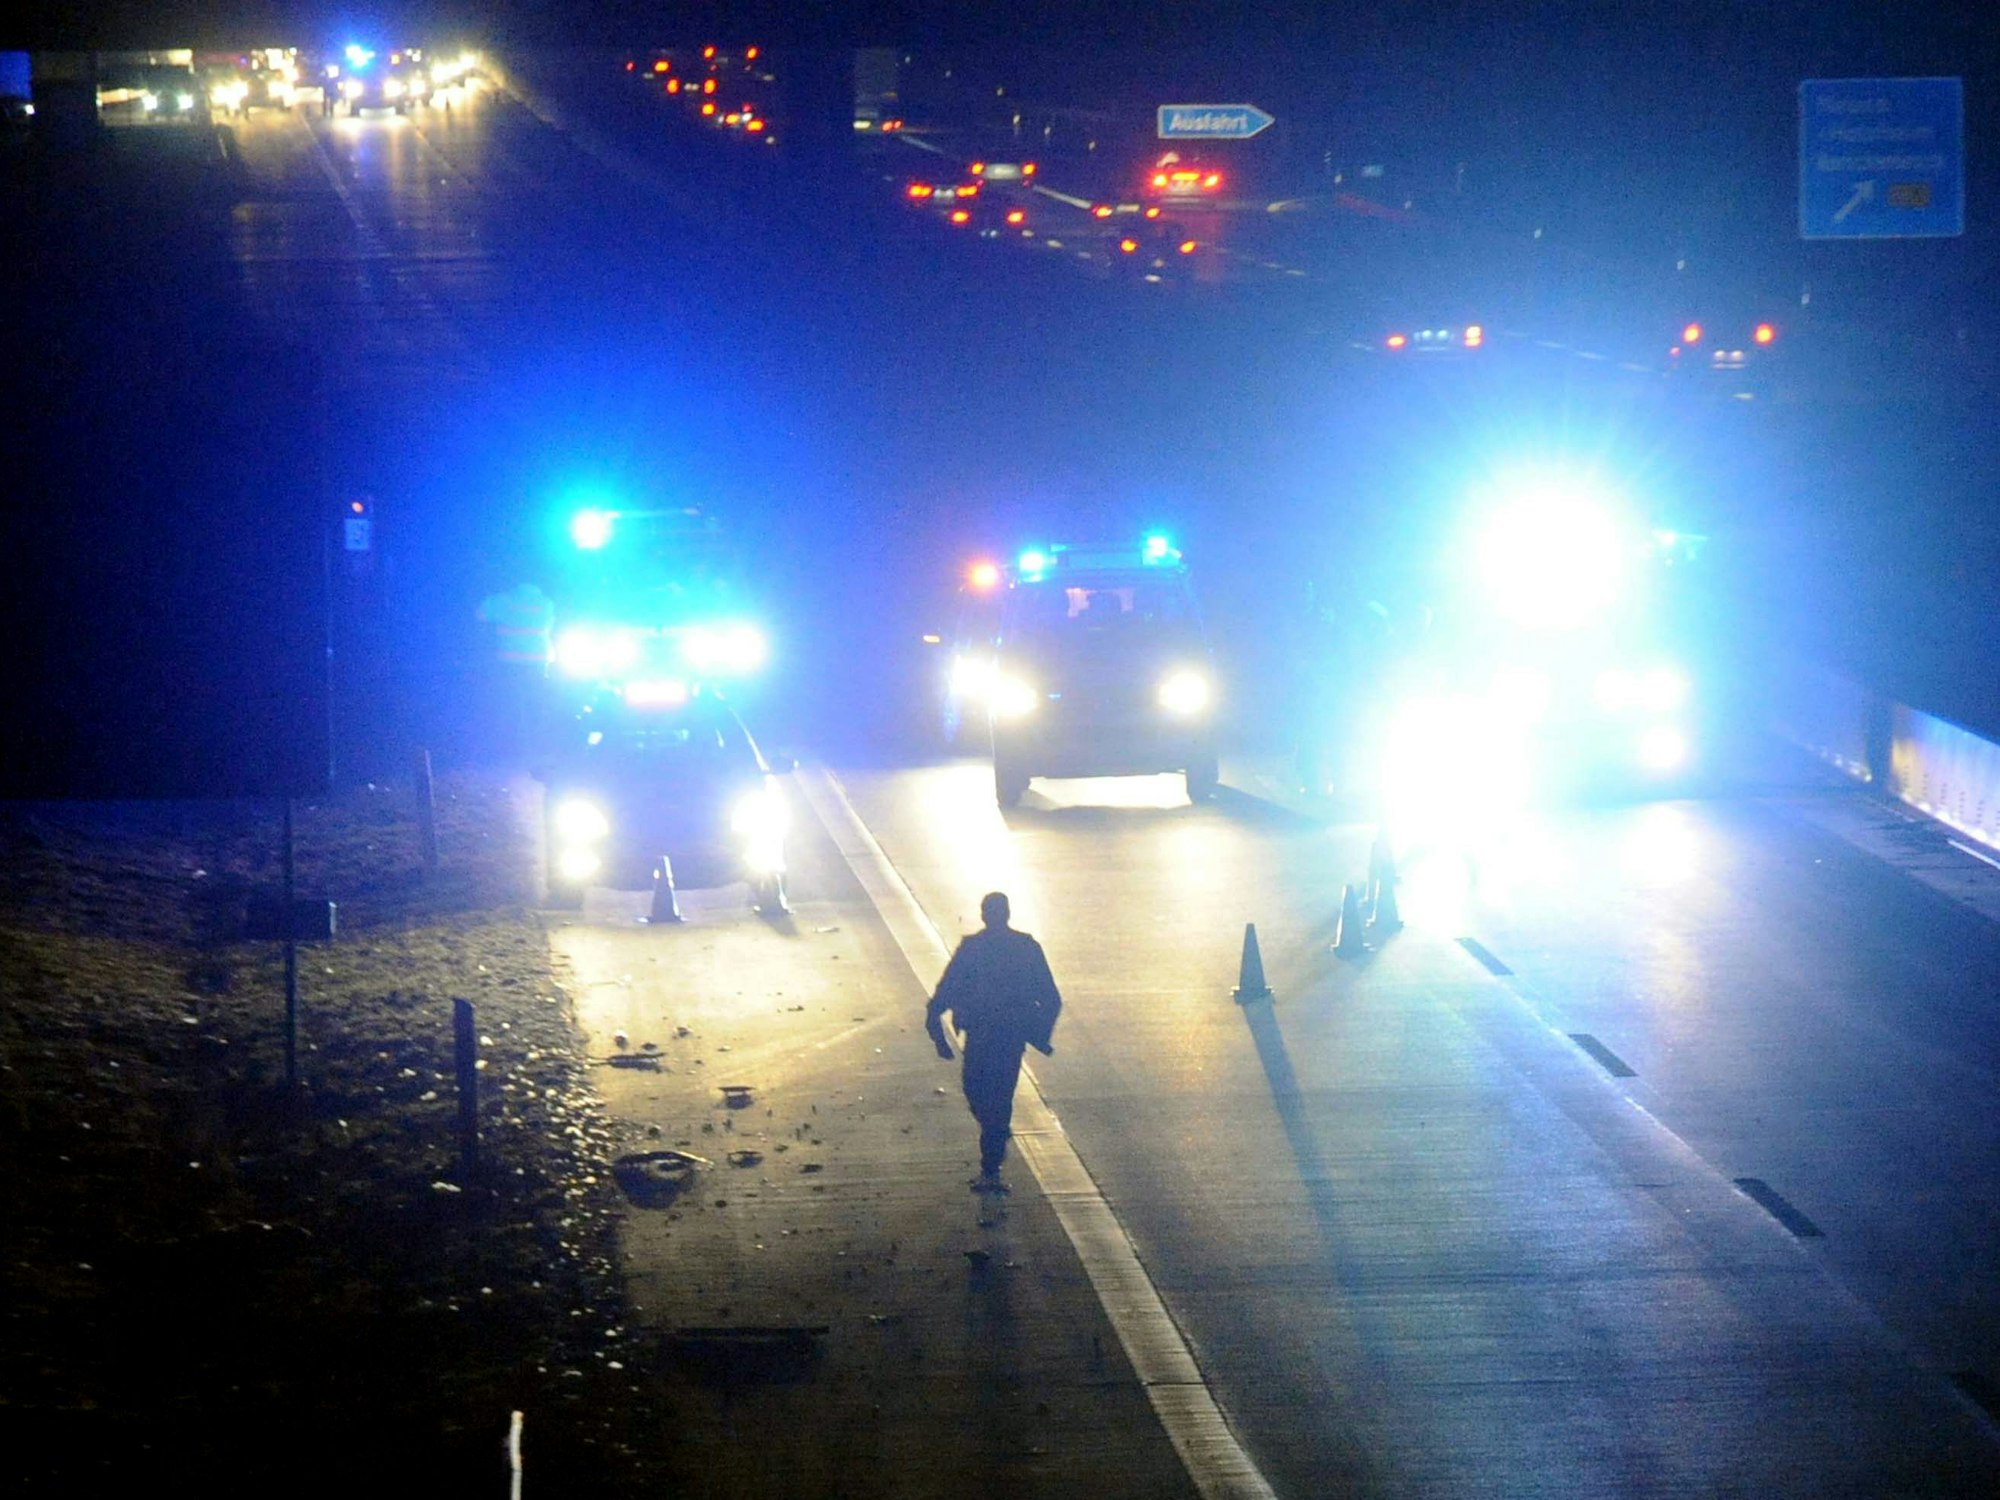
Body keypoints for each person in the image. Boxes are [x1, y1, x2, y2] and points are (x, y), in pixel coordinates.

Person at [926, 892, 1063, 1193]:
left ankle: (992, 1164)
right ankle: (996, 1138)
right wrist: (1039, 1032)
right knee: (994, 1097)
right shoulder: (1024, 948)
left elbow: (946, 991)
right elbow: (1051, 999)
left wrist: (938, 1032)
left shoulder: (974, 949)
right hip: (1007, 1037)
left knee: (980, 1092)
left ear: (985, 915)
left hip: (986, 1036)